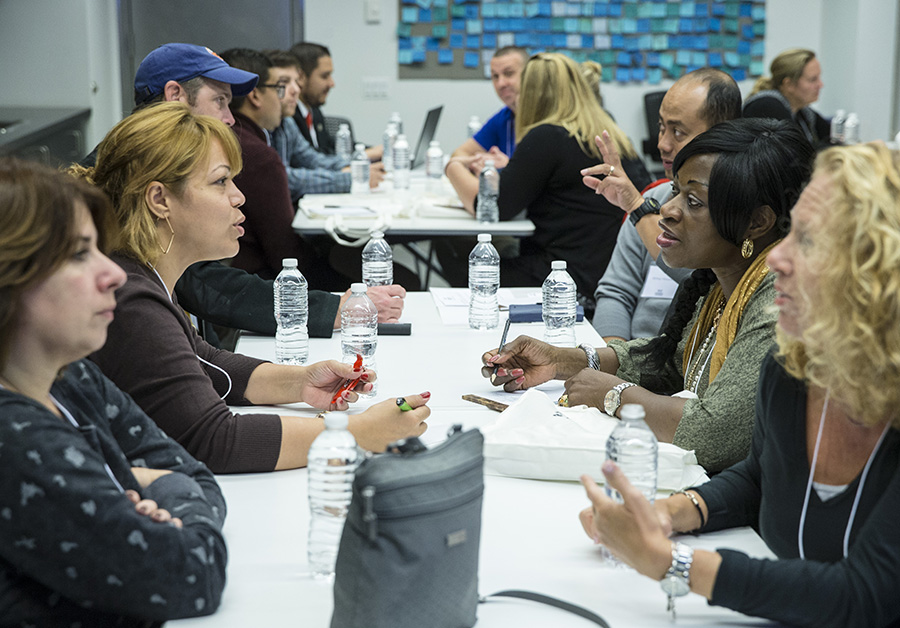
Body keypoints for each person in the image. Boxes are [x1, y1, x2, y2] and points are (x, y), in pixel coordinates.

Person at [578, 143, 900, 628]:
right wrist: (670, 511)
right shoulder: (794, 368)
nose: (777, 260)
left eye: (809, 242)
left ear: (881, 273)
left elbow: (863, 594)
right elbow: (764, 475)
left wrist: (673, 564)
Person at [74, 102, 429, 474]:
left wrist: (301, 382)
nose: (238, 197)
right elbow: (215, 441)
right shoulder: (130, 298)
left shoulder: (138, 274)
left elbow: (204, 360)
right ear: (160, 200)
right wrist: (355, 432)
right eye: (220, 181)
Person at [483, 119, 814, 473]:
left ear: (757, 222)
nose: (668, 210)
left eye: (694, 202)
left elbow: (714, 434)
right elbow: (672, 364)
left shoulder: (778, 302)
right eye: (674, 192)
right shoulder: (723, 284)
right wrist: (560, 362)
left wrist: (614, 395)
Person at [0, 157, 226, 624]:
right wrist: (138, 484)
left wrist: (135, 486)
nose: (116, 274)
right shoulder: (16, 437)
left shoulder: (70, 376)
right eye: (80, 254)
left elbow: (194, 473)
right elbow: (190, 575)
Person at [446, 52, 650, 301]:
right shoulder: (611, 134)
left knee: (460, 267)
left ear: (531, 93)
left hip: (562, 277)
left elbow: (490, 208)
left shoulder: (547, 136)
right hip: (614, 273)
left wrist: (453, 166)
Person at [590, 68, 742, 341]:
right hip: (630, 359)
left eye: (678, 132)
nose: (663, 144)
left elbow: (705, 285)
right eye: (661, 128)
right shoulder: (655, 197)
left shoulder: (736, 211)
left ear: (721, 133)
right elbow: (615, 292)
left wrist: (637, 208)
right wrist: (612, 360)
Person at [267, 50, 383, 202]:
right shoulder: (257, 131)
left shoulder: (288, 122)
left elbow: (314, 159)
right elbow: (283, 179)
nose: (296, 89)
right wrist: (349, 177)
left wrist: (356, 167)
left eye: (295, 81)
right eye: (283, 83)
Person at [451, 46, 528, 172]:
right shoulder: (504, 117)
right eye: (495, 76)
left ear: (530, 75)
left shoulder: (546, 119)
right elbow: (459, 153)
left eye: (509, 74)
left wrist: (508, 167)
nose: (501, 83)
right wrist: (481, 160)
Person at [743, 48, 829, 148]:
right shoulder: (767, 106)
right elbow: (791, 156)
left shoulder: (803, 112)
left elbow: (829, 136)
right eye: (813, 80)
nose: (820, 85)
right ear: (789, 84)